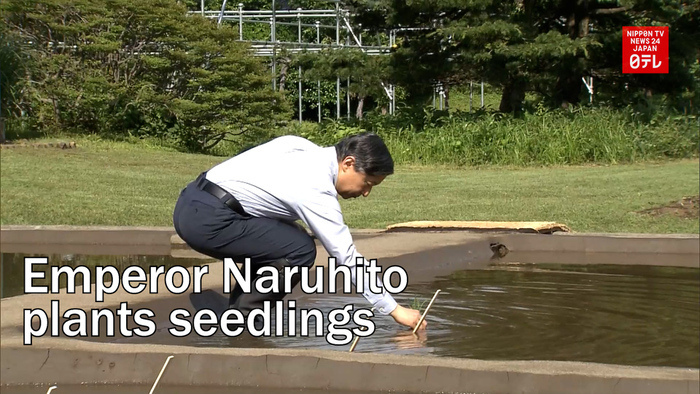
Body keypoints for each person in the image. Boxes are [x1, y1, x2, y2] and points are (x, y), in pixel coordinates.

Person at [172, 132, 427, 331]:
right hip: (207, 220)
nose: (366, 192)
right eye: (368, 183)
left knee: (286, 238)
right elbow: (347, 258)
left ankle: (238, 308)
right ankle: (242, 320)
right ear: (348, 163)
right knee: (299, 250)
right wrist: (393, 309)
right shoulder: (315, 188)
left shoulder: (299, 145)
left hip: (190, 200)